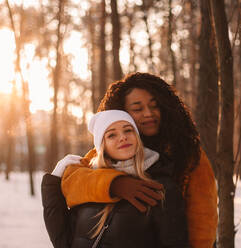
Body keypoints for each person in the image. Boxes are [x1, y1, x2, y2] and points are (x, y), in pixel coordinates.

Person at [56, 72, 218, 247]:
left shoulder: (188, 153)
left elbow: (203, 221)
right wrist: (114, 184)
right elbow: (71, 181)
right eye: (137, 109)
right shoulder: (111, 150)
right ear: (123, 113)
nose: (148, 113)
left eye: (155, 106)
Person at [71, 110, 190, 247]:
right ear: (102, 147)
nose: (122, 137)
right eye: (111, 135)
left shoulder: (161, 187)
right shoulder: (89, 187)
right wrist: (53, 181)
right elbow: (65, 239)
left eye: (128, 130)